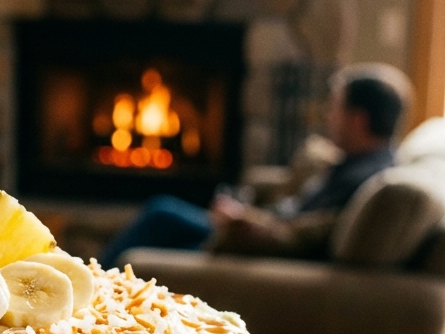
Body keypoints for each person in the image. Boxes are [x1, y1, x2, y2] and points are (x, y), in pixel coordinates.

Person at [100, 63, 411, 268]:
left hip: (249, 247)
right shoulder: (362, 160)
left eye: (336, 108)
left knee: (158, 220)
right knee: (162, 212)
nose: (329, 116)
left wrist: (238, 217)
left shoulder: (363, 178)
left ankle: (93, 286)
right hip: (255, 230)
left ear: (358, 120)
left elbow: (300, 235)